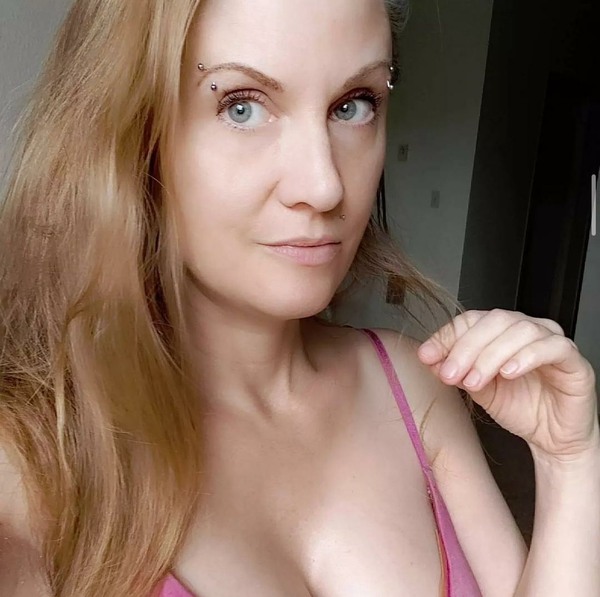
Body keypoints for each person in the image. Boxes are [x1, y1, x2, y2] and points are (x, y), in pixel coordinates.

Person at [0, 0, 598, 596]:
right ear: (131, 131)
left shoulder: (414, 389)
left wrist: (569, 463)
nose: (324, 185)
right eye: (241, 107)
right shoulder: (34, 462)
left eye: (353, 104)